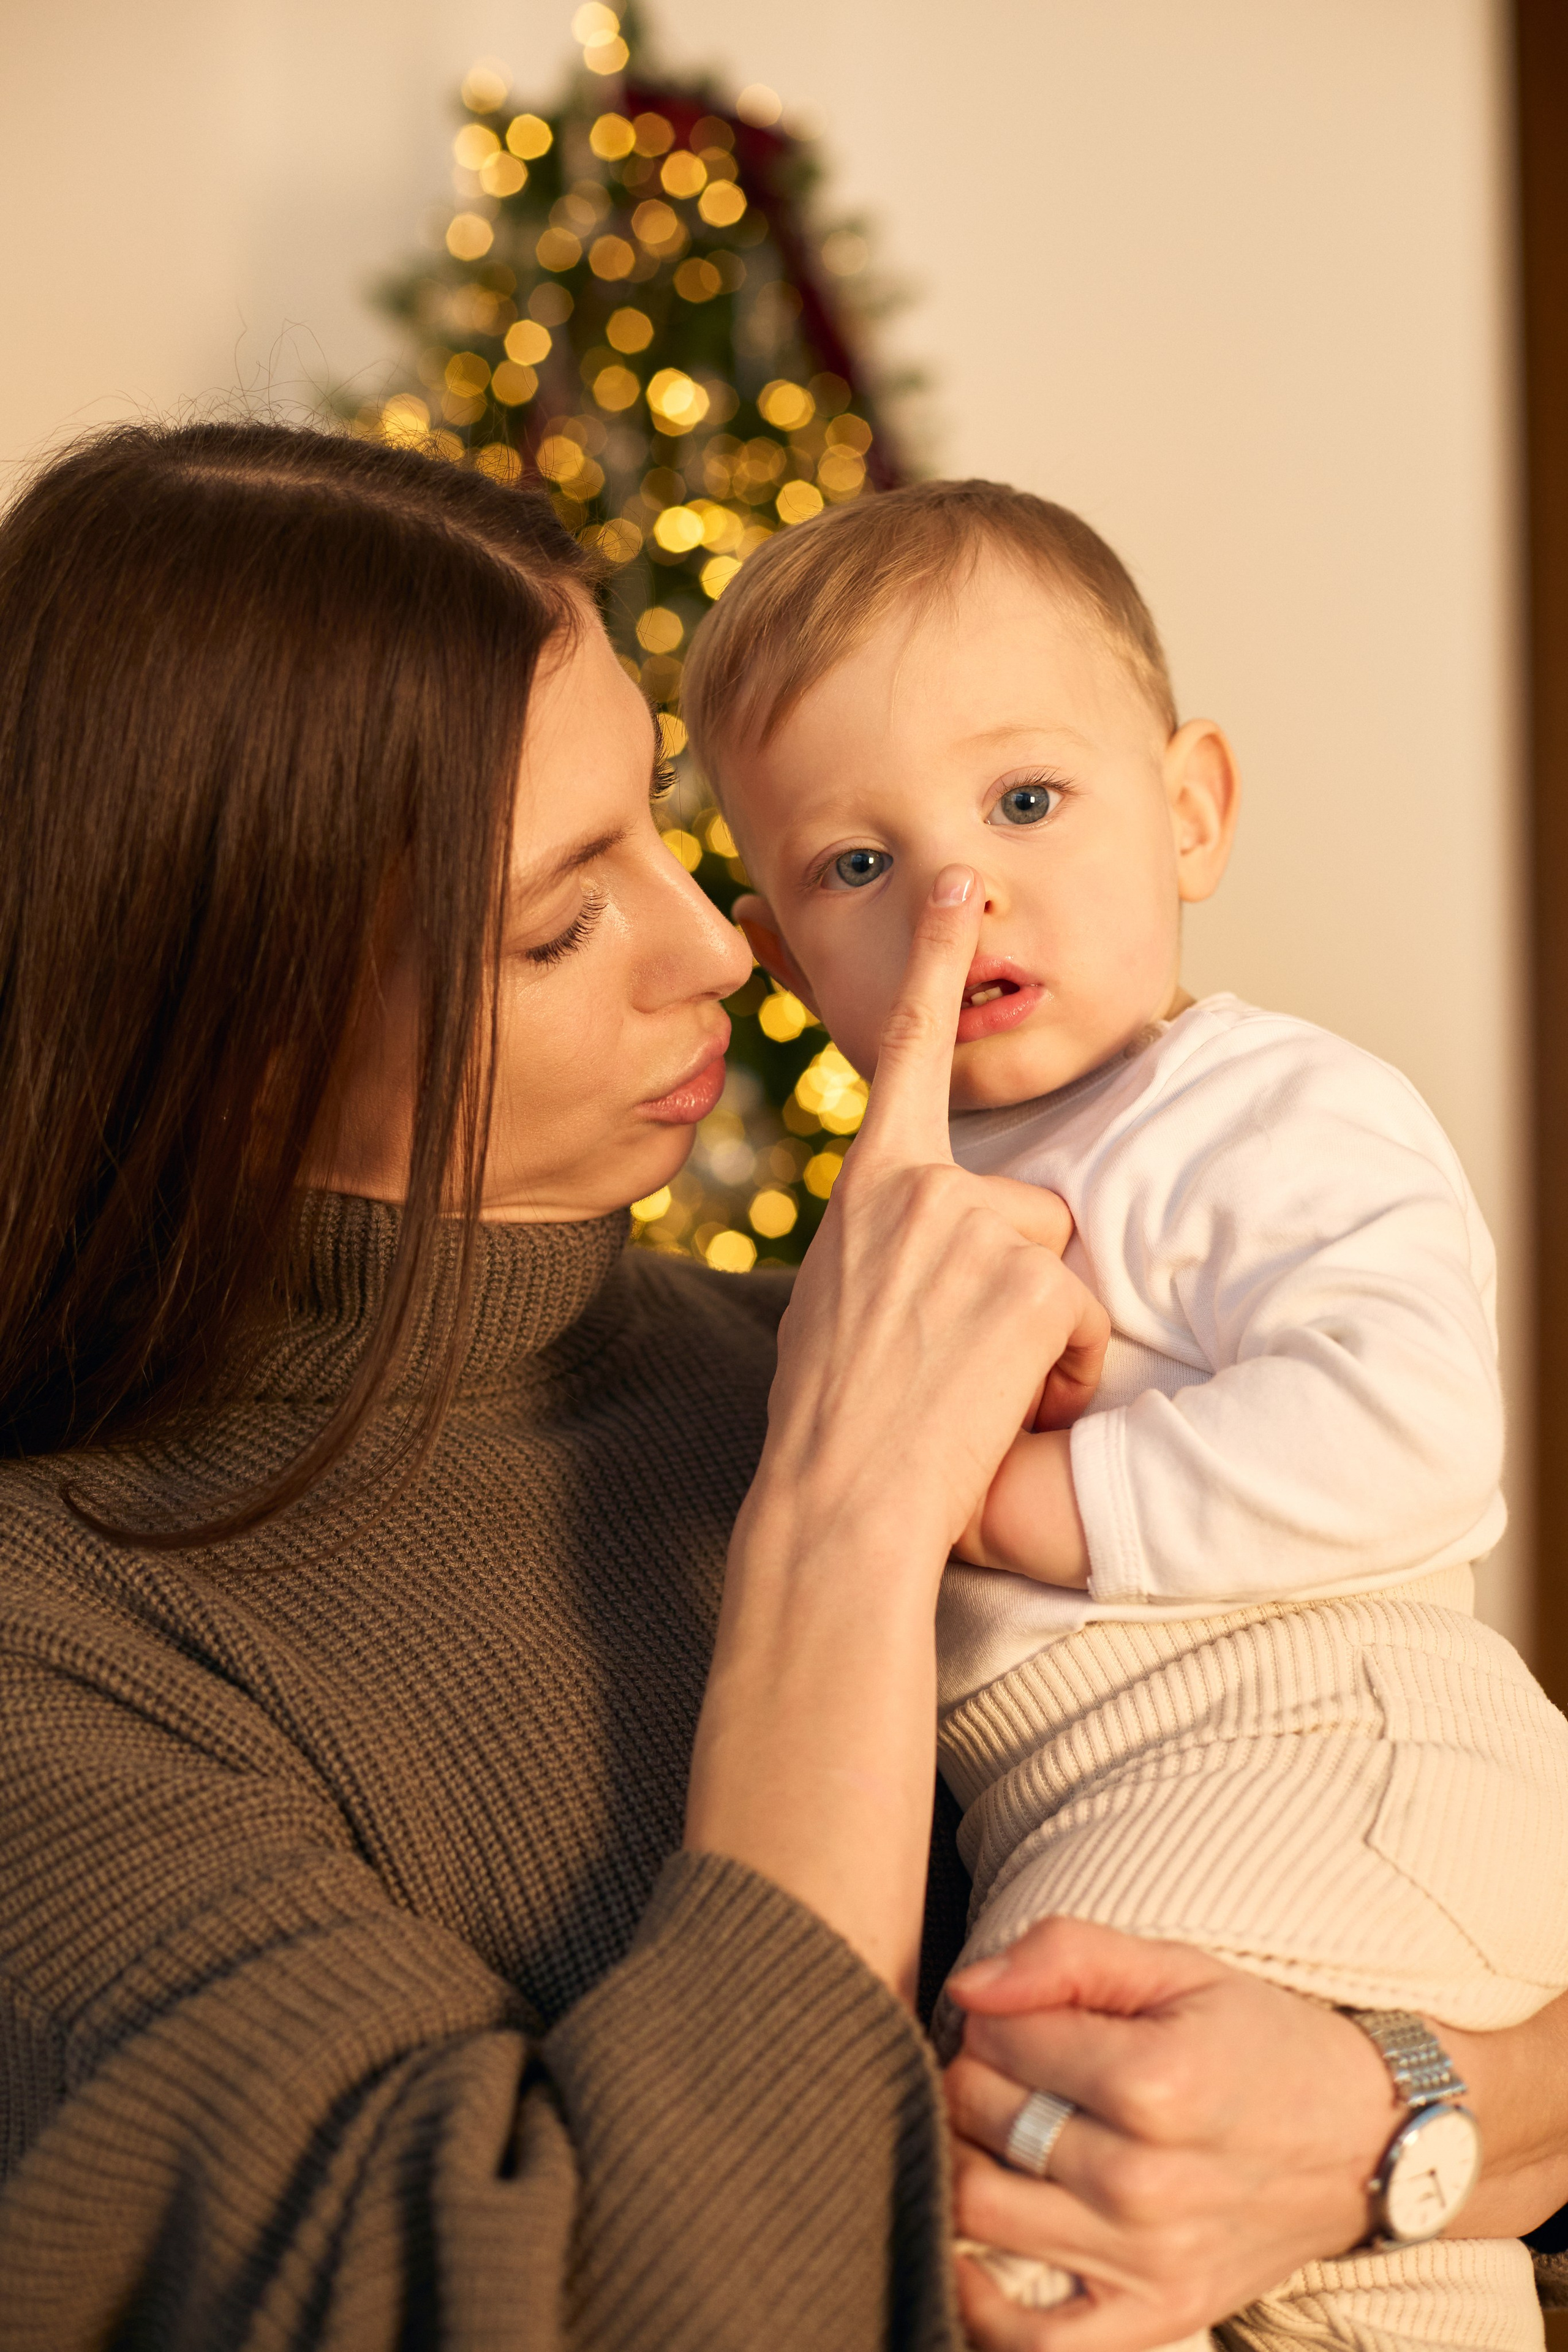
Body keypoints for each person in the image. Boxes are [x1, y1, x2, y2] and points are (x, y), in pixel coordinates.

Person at [0, 422, 1563, 2352]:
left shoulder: (817, 1343)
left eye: (668, 833)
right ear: (232, 1035)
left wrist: (1405, 2109)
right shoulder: (58, 1659)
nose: (717, 954)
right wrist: (841, 1530)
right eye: (566, 915)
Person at [680, 477, 1568, 2350]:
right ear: (779, 958)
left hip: (1315, 1733)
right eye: (856, 866)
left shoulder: (1258, 1109)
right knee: (1346, 2287)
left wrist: (1006, 1496)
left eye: (1023, 803)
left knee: (1025, 2203)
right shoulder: (893, 1212)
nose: (955, 893)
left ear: (1190, 812)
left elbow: (1413, 1432)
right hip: (1117, 1786)